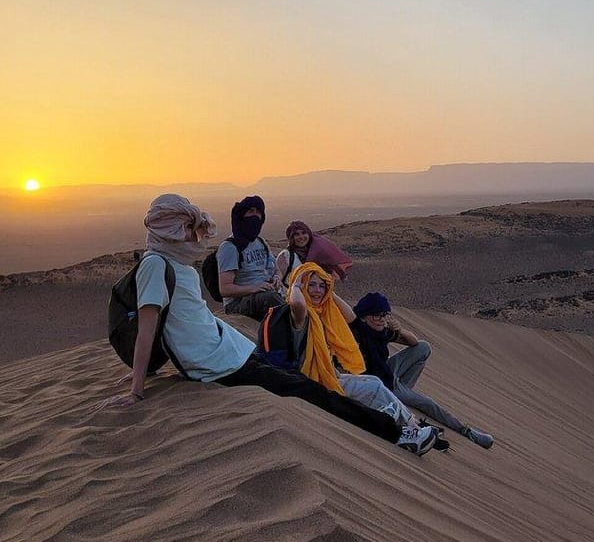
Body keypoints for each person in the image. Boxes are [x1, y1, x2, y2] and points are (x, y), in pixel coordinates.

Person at [98, 194, 438, 456]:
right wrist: (137, 389)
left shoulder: (180, 266)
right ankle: (399, 434)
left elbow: (183, 321)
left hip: (236, 349)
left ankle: (399, 422)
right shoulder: (155, 265)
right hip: (218, 366)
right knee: (312, 393)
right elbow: (149, 326)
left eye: (192, 227)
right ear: (167, 231)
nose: (192, 236)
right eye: (185, 229)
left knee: (308, 381)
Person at [261, 262, 427, 432]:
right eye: (311, 285)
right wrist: (295, 282)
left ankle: (410, 421)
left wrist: (330, 291)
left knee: (374, 382)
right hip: (314, 380)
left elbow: (352, 318)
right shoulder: (301, 316)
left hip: (329, 375)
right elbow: (298, 304)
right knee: (374, 388)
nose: (317, 290)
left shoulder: (323, 314)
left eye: (321, 286)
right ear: (302, 287)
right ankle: (407, 428)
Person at [351, 292, 494, 449]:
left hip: (388, 373)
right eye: (377, 315)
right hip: (381, 385)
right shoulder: (358, 330)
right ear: (364, 316)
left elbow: (414, 342)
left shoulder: (381, 331)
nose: (382, 319)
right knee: (429, 404)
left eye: (385, 315)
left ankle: (406, 391)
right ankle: (467, 431)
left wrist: (398, 329)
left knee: (424, 347)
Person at [217, 196, 282, 320]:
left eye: (258, 212)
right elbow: (225, 289)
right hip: (238, 303)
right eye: (251, 211)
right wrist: (254, 288)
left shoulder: (261, 242)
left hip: (266, 294)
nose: (255, 215)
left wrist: (277, 278)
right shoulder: (230, 247)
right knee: (271, 300)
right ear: (242, 215)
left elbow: (277, 270)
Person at [276, 220, 352, 288]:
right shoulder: (286, 255)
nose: (301, 237)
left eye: (303, 233)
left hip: (314, 298)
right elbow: (277, 280)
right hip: (290, 299)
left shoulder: (316, 253)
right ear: (291, 237)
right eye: (296, 234)